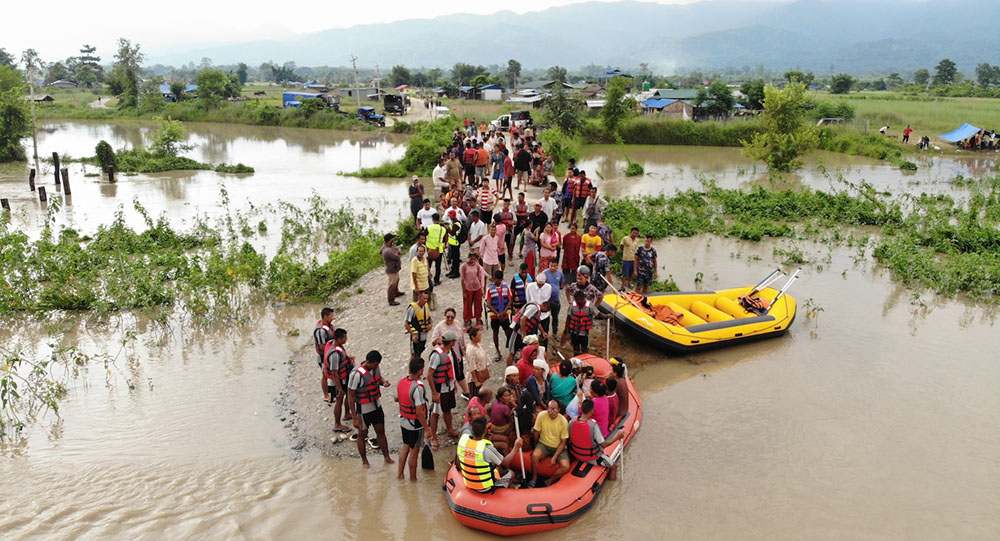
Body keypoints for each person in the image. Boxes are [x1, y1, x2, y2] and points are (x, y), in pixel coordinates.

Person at [347, 350, 394, 468]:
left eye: (378, 364)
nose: (377, 366)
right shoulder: (356, 374)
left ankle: (387, 457)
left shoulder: (375, 368)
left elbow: (378, 379)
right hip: (363, 409)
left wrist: (383, 382)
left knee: (381, 432)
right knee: (362, 435)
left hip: (376, 407)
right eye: (375, 364)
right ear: (368, 362)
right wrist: (354, 418)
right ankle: (364, 461)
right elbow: (351, 396)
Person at [456, 416, 524, 492]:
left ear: (471, 429)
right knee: (511, 473)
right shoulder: (487, 448)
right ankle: (503, 493)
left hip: (469, 483)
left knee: (496, 468)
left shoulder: (463, 440)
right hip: (485, 487)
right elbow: (505, 462)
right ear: (485, 431)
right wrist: (516, 447)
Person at [397, 357, 430, 481]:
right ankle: (413, 480)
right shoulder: (418, 388)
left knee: (405, 447)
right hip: (415, 425)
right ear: (420, 371)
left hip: (403, 421)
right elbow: (419, 412)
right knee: (414, 452)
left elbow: (396, 398)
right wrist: (427, 429)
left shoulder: (402, 381)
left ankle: (400, 474)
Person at [427, 331, 461, 450]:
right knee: (436, 412)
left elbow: (451, 369)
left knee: (448, 409)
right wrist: (434, 393)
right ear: (451, 342)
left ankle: (450, 429)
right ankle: (433, 437)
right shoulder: (437, 355)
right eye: (454, 341)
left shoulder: (450, 351)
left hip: (449, 386)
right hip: (440, 388)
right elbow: (430, 374)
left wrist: (454, 383)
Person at [567, 398, 623, 468]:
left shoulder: (572, 421)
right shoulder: (593, 426)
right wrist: (617, 437)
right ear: (591, 411)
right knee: (614, 466)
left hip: (575, 454)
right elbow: (603, 445)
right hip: (591, 458)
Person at [432, 308, 471, 399]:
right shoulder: (440, 326)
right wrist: (439, 340)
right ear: (445, 316)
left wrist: (465, 351)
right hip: (446, 356)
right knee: (449, 375)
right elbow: (433, 341)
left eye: (452, 317)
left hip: (457, 354)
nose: (449, 319)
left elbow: (462, 340)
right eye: (448, 317)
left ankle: (466, 392)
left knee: (460, 373)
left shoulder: (457, 324)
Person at [530, 400, 571, 487]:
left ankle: (549, 481)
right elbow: (536, 434)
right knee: (535, 456)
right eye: (550, 409)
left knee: (565, 466)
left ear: (559, 410)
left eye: (554, 409)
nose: (551, 412)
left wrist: (555, 457)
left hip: (558, 446)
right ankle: (534, 478)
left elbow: (563, 442)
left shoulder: (563, 421)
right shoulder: (541, 415)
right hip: (543, 444)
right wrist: (535, 446)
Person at [323, 328, 354, 433]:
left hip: (343, 378)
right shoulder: (334, 355)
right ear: (340, 339)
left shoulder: (334, 344)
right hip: (338, 381)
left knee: (348, 394)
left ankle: (347, 414)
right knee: (339, 400)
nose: (346, 339)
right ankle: (337, 424)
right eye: (345, 337)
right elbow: (334, 372)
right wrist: (340, 389)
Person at [563, 290, 607, 355]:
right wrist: (567, 331)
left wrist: (606, 316)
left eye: (578, 300)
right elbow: (568, 318)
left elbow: (598, 314)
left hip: (584, 333)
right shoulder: (572, 305)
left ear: (582, 298)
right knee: (575, 348)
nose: (577, 301)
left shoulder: (590, 306)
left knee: (584, 349)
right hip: (574, 332)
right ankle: (576, 359)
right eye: (575, 300)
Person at [485, 270, 514, 361]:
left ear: (501, 279)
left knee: (508, 332)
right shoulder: (489, 289)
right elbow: (489, 304)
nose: (497, 281)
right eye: (496, 279)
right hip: (494, 316)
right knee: (495, 333)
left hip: (505, 315)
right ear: (493, 278)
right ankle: (497, 351)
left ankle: (511, 351)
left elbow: (510, 300)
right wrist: (498, 313)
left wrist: (504, 312)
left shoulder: (506, 287)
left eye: (499, 279)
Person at [313, 307, 334, 401]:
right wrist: (333, 351)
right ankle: (326, 395)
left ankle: (333, 391)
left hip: (331, 353)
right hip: (324, 356)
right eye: (331, 316)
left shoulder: (329, 325)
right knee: (324, 375)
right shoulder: (320, 331)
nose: (333, 318)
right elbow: (322, 346)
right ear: (325, 316)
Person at [405, 291, 432, 361]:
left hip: (423, 334)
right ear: (419, 297)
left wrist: (430, 325)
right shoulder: (412, 308)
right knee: (414, 354)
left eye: (427, 299)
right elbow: (406, 323)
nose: (426, 301)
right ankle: (411, 371)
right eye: (424, 299)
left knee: (419, 352)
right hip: (416, 335)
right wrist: (413, 335)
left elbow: (430, 319)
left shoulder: (426, 306)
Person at [460, 253, 486, 327]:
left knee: (478, 304)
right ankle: (467, 320)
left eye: (474, 259)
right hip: (468, 288)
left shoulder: (477, 266)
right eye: (471, 259)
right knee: (467, 305)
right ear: (468, 258)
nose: (472, 261)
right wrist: (463, 291)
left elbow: (479, 277)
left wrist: (482, 288)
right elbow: (462, 279)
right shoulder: (464, 266)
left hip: (477, 287)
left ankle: (478, 319)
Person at [526, 272, 553, 341]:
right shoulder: (529, 287)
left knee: (545, 334)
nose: (540, 286)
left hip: (544, 315)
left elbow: (547, 299)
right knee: (532, 335)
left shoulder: (548, 287)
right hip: (533, 314)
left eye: (542, 284)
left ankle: (544, 349)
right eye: (539, 284)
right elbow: (528, 300)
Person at [543, 259, 565, 337]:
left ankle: (555, 333)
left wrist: (558, 288)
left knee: (555, 317)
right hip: (547, 300)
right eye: (551, 266)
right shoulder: (544, 273)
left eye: (554, 266)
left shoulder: (560, 274)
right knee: (545, 318)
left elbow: (562, 282)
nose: (552, 268)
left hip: (556, 300)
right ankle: (545, 333)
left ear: (557, 266)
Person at [380, 234, 404, 306]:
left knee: (396, 280)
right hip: (392, 269)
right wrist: (397, 251)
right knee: (392, 285)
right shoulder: (388, 251)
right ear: (390, 239)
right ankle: (391, 300)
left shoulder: (388, 246)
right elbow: (397, 256)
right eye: (392, 238)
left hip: (394, 268)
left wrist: (396, 250)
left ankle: (396, 292)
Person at [465, 327, 489, 397]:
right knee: (475, 396)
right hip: (474, 378)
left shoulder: (477, 345)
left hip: (480, 375)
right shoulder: (471, 350)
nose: (481, 337)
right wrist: (476, 380)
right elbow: (472, 366)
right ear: (473, 337)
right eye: (479, 335)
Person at [425, 213, 448, 286]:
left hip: (429, 250)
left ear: (432, 219)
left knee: (428, 266)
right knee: (438, 266)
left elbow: (423, 236)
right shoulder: (443, 229)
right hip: (439, 250)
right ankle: (436, 280)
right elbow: (444, 240)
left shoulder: (428, 227)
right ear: (439, 219)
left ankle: (427, 280)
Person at [445, 213, 463, 279]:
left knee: (456, 259)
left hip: (456, 244)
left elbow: (452, 233)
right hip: (451, 243)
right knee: (452, 258)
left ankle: (456, 272)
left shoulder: (457, 224)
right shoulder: (452, 223)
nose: (450, 217)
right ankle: (452, 271)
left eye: (451, 216)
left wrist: (447, 228)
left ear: (454, 216)